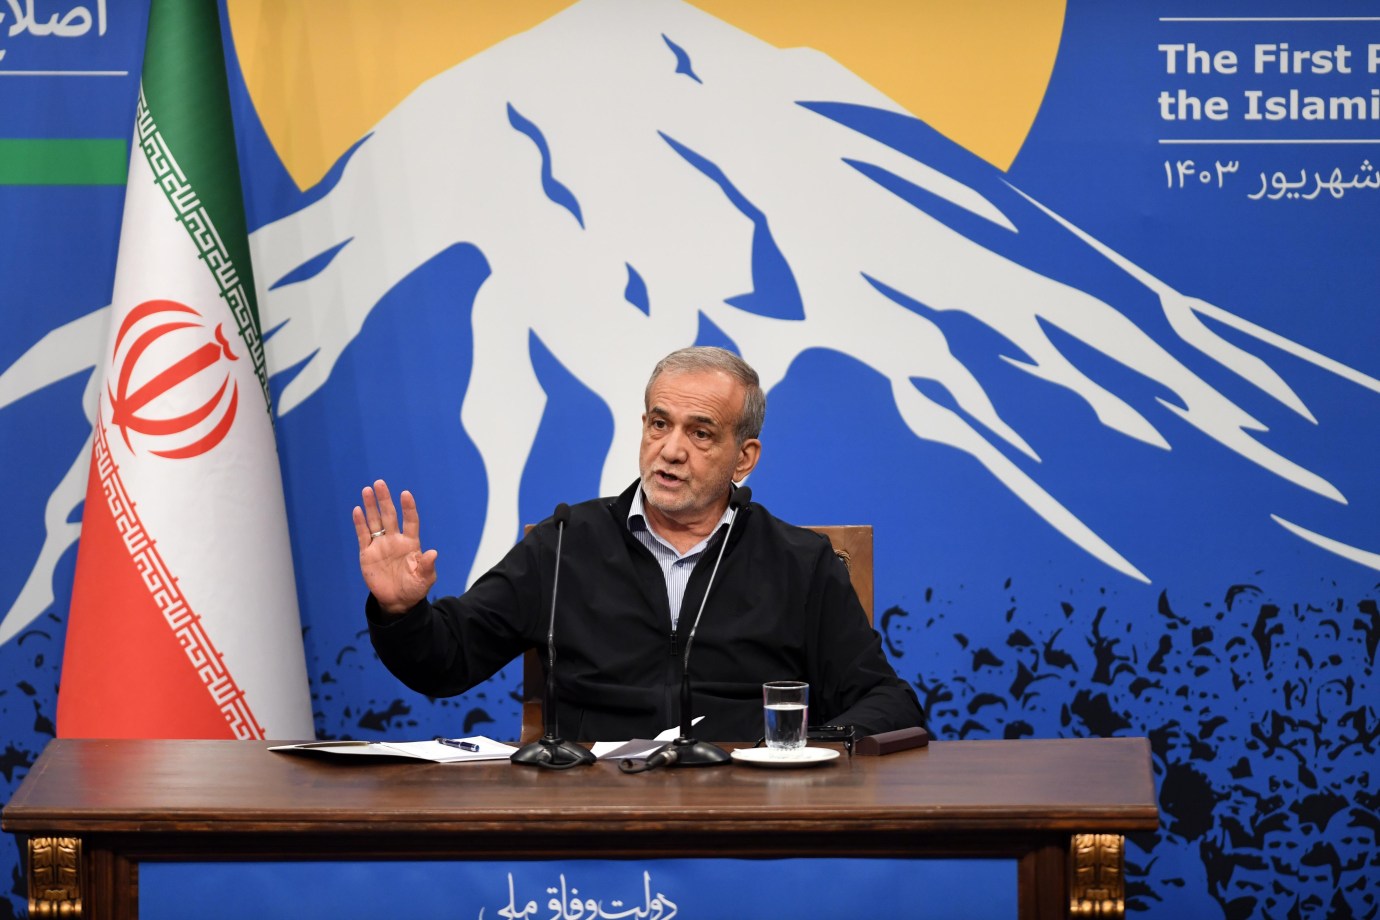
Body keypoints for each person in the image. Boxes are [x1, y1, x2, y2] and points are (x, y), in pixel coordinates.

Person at [355, 346, 922, 741]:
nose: (671, 450)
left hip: (749, 815)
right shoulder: (567, 544)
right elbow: (446, 660)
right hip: (592, 815)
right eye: (659, 424)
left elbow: (889, 704)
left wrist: (795, 749)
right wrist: (401, 611)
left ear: (743, 458)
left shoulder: (799, 563)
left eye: (700, 433)